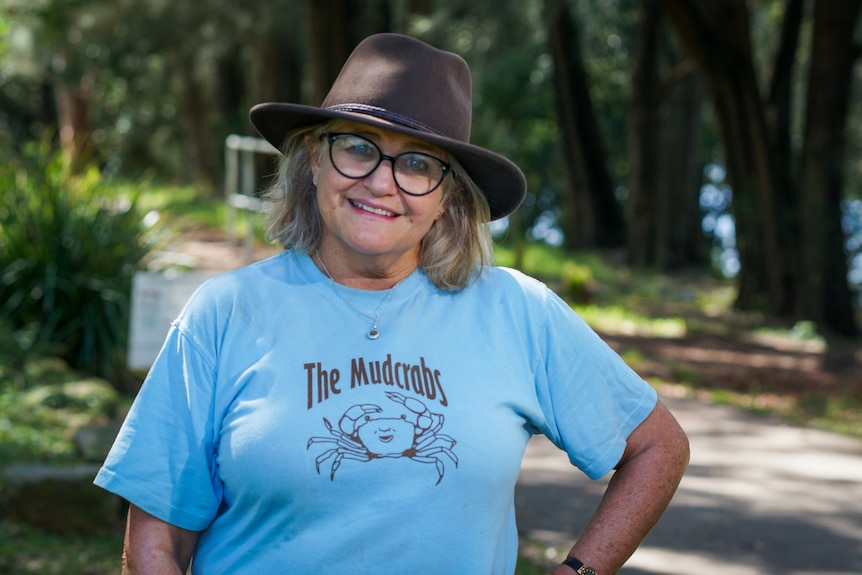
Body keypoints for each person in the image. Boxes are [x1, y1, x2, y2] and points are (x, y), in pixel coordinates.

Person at [95, 33, 689, 575]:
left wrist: (579, 572)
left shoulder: (517, 311)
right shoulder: (223, 313)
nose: (382, 182)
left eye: (417, 163)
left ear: (449, 198)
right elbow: (157, 538)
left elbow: (657, 446)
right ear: (312, 163)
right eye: (357, 147)